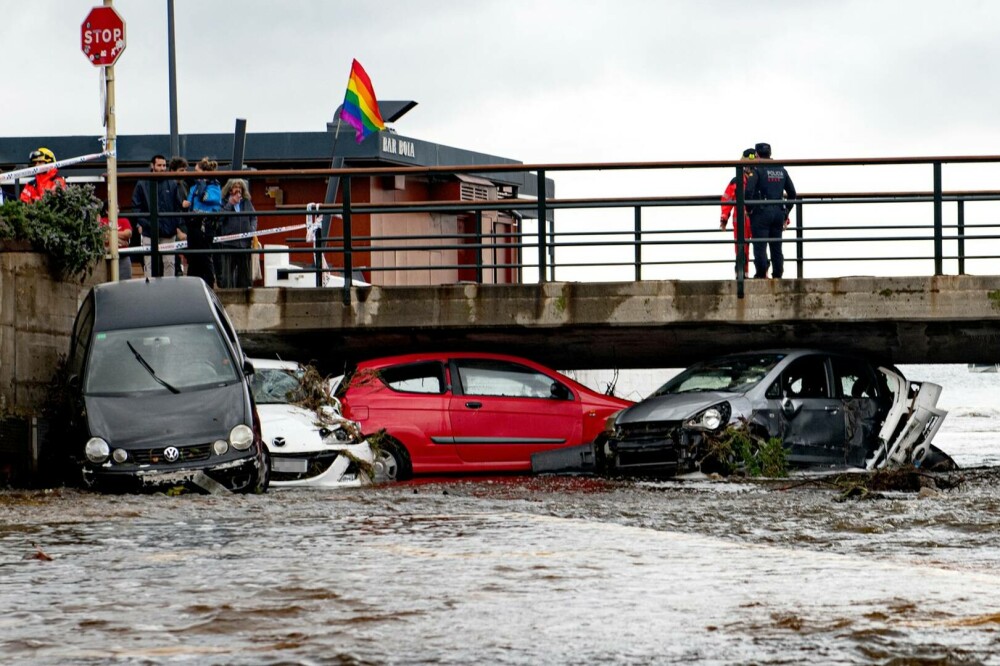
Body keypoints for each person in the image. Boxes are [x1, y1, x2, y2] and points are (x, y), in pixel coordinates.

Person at [745, 142, 796, 279]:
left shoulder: (757, 169)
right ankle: (778, 274)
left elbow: (748, 191)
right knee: (776, 246)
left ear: (757, 154)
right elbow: (792, 193)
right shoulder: (781, 169)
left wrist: (749, 209)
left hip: (761, 212)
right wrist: (786, 212)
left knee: (760, 246)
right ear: (770, 154)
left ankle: (761, 274)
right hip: (778, 211)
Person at [130, 154, 185, 278]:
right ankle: (150, 291)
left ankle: (168, 290)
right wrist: (144, 223)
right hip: (149, 231)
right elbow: (136, 206)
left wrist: (174, 224)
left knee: (169, 263)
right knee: (149, 263)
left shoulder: (171, 183)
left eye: (164, 165)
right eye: (159, 165)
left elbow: (177, 206)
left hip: (168, 231)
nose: (162, 168)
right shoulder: (142, 183)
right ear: (152, 166)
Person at [183, 157, 223, 287]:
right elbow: (189, 202)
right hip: (193, 225)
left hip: (205, 225)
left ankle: (209, 285)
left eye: (197, 171)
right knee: (192, 258)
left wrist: (202, 183)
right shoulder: (194, 187)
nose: (194, 174)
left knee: (205, 257)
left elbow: (205, 198)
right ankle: (192, 286)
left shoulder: (214, 187)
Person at [720, 147, 757, 278]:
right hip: (741, 221)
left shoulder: (759, 179)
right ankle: (742, 275)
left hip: (757, 219)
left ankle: (762, 273)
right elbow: (727, 199)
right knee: (742, 249)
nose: (749, 168)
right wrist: (724, 218)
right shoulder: (737, 181)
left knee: (761, 248)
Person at [216, 178, 257, 288]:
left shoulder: (246, 202)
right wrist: (230, 204)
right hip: (229, 244)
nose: (238, 191)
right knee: (227, 276)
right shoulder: (223, 202)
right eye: (235, 188)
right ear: (229, 190)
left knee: (244, 275)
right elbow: (219, 219)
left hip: (245, 244)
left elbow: (253, 217)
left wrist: (252, 229)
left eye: (240, 189)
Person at [99, 200, 133, 279]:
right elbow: (103, 237)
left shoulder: (124, 220)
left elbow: (128, 234)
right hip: (106, 256)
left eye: (117, 208)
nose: (117, 210)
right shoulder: (102, 221)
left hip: (123, 256)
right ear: (107, 211)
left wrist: (110, 234)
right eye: (114, 208)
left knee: (125, 282)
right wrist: (122, 241)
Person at [169, 156, 190, 275]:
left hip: (185, 224)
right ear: (172, 171)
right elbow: (167, 210)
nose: (185, 173)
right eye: (181, 170)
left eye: (185, 170)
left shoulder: (184, 185)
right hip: (174, 227)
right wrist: (178, 231)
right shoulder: (168, 186)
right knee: (173, 256)